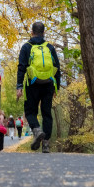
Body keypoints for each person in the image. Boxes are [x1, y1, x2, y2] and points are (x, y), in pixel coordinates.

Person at [16, 21, 60, 153]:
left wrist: (19, 86)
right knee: (47, 113)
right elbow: (57, 67)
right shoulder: (50, 47)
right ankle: (46, 144)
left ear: (32, 32)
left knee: (30, 112)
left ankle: (36, 130)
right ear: (44, 32)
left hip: (32, 84)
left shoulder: (26, 47)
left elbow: (22, 67)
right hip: (48, 84)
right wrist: (56, 87)